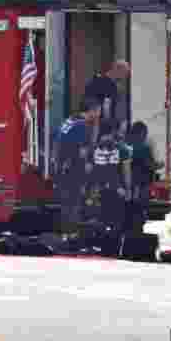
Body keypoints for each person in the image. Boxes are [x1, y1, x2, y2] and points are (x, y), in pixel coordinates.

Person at [56, 98, 103, 238]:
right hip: (73, 170)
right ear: (92, 110)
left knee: (65, 204)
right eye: (98, 111)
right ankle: (72, 235)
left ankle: (64, 234)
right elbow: (82, 152)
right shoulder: (82, 125)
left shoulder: (69, 121)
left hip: (62, 168)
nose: (99, 114)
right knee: (74, 203)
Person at [125, 121, 161, 231]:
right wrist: (159, 165)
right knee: (141, 208)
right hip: (142, 183)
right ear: (142, 133)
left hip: (128, 184)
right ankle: (138, 230)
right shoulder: (144, 147)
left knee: (131, 209)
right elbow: (151, 165)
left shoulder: (126, 145)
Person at [84, 60, 130, 135]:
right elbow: (92, 105)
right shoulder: (97, 82)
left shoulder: (116, 87)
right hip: (98, 128)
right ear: (117, 69)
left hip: (108, 128)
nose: (124, 77)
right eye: (124, 74)